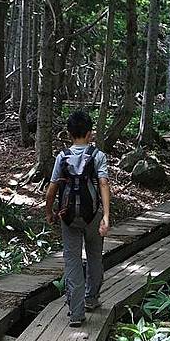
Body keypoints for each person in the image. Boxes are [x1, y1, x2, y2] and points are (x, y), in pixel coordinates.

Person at [45, 111, 111, 327]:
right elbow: (103, 184)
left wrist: (49, 213)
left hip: (68, 217)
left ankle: (76, 313)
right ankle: (91, 299)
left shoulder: (62, 157)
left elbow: (52, 189)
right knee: (94, 256)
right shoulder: (98, 155)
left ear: (70, 133)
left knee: (72, 260)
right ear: (89, 133)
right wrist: (106, 216)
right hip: (93, 216)